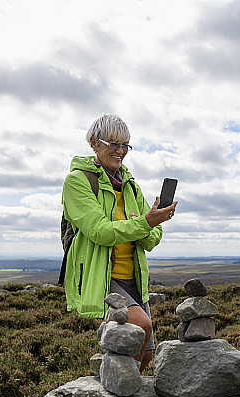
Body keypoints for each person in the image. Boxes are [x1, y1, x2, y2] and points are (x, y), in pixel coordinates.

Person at [62, 114, 176, 371]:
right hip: (102, 275)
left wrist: (150, 223)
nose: (121, 151)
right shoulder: (78, 181)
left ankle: (122, 385)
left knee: (146, 352)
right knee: (142, 326)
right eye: (113, 144)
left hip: (134, 277)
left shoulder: (130, 185)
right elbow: (100, 231)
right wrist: (145, 222)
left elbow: (152, 239)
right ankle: (119, 388)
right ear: (94, 143)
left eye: (125, 145)